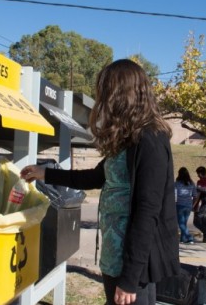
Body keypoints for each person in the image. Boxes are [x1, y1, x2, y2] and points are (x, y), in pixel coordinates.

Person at [20, 59, 179, 305]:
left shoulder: (151, 139)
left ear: (122, 94)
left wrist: (129, 279)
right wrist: (45, 173)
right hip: (114, 259)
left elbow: (148, 212)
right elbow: (95, 177)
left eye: (106, 91)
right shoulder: (129, 138)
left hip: (132, 267)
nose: (102, 99)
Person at [174, 167, 197, 244]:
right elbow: (195, 195)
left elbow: (174, 195)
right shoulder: (191, 183)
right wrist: (193, 205)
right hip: (188, 205)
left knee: (181, 223)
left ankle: (190, 237)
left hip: (180, 205)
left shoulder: (177, 183)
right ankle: (183, 239)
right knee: (184, 223)